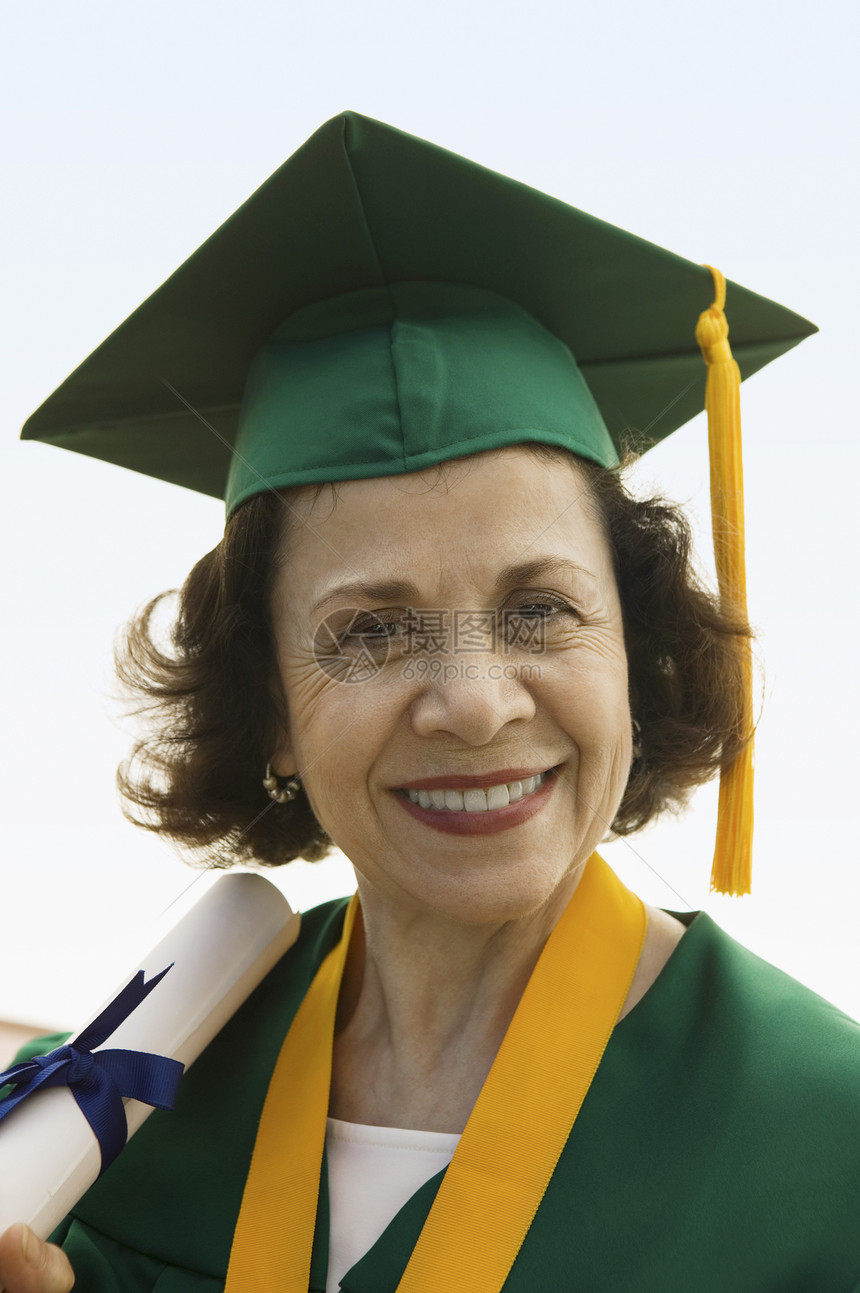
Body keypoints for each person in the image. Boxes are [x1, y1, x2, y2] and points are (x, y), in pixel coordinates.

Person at [1, 112, 857, 1293]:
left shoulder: (824, 1149)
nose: (471, 702)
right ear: (268, 709)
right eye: (371, 632)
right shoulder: (111, 1119)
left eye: (537, 611)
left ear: (636, 649)